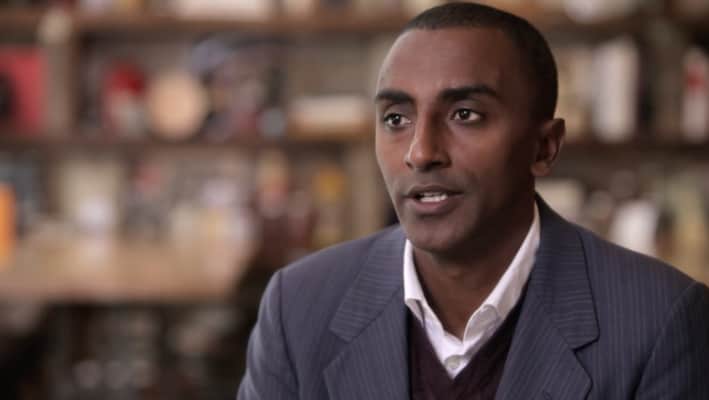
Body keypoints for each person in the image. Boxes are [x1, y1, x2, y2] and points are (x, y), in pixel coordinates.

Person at [237, 2, 709, 399]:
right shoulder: (298, 306)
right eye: (396, 119)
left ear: (544, 148)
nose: (421, 152)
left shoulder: (659, 321)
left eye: (465, 114)